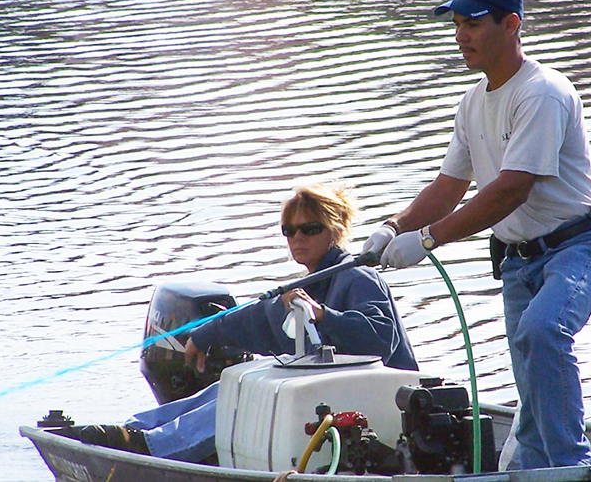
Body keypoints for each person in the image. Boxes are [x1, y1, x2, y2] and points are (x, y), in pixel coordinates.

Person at [361, 0, 591, 469]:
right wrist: (393, 227)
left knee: (543, 334)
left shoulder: (543, 92)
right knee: (530, 374)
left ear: (512, 24)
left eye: (473, 23)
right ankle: (532, 469)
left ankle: (573, 468)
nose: (461, 35)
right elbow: (448, 188)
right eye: (457, 23)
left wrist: (430, 239)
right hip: (519, 265)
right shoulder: (472, 102)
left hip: (579, 248)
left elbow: (509, 189)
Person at [74, 183, 418, 463]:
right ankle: (133, 431)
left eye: (310, 229)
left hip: (384, 404)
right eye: (289, 230)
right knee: (232, 386)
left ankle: (152, 448)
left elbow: (379, 337)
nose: (298, 238)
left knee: (251, 397)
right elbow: (260, 316)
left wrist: (324, 315)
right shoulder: (311, 284)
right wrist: (206, 333)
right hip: (337, 394)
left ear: (335, 230)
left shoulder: (357, 277)